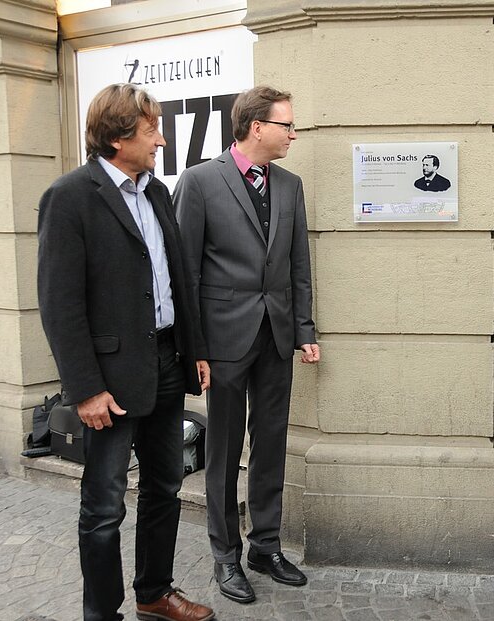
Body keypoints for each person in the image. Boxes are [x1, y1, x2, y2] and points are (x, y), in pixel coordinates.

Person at [38, 83, 214, 621]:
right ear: (117, 138)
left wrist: (195, 350)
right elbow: (59, 304)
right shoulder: (70, 197)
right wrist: (85, 388)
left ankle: (154, 594)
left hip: (165, 362)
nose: (161, 140)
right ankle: (102, 613)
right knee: (105, 506)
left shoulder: (156, 193)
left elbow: (179, 280)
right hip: (109, 383)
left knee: (165, 486)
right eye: (151, 130)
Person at [175, 86, 320, 604]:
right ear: (257, 127)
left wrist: (304, 330)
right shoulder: (199, 182)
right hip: (221, 343)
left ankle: (265, 545)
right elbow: (183, 272)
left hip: (276, 336)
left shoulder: (290, 185)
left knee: (271, 444)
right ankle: (225, 554)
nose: (293, 133)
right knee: (224, 448)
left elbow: (299, 266)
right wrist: (193, 350)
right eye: (287, 124)